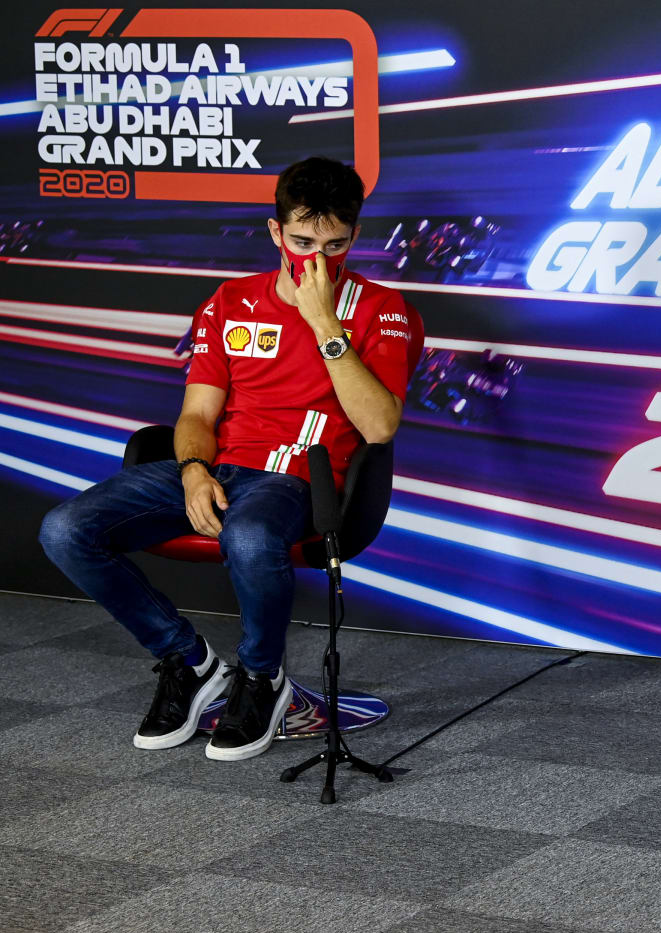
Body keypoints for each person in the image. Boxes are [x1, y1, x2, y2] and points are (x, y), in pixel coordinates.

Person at [39, 156, 418, 762]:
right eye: (300, 241)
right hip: (219, 469)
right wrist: (192, 470)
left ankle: (263, 680)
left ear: (355, 237)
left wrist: (323, 320)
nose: (316, 258)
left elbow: (379, 424)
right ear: (275, 233)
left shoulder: (383, 309)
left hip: (298, 476)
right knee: (65, 529)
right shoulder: (231, 300)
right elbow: (196, 416)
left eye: (335, 243)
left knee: (248, 535)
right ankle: (190, 663)